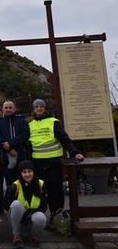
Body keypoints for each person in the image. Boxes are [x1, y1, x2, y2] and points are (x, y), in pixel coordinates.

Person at [28, 98, 84, 228]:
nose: (39, 108)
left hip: (54, 164)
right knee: (40, 193)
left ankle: (56, 218)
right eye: (37, 106)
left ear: (45, 108)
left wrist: (75, 152)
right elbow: (28, 145)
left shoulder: (53, 122)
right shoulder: (30, 125)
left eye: (42, 106)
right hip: (38, 165)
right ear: (33, 110)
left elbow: (64, 139)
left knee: (56, 193)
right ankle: (39, 219)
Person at [4, 160, 47, 249]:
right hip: (16, 220)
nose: (27, 175)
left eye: (29, 171)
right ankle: (16, 236)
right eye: (24, 172)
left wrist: (30, 212)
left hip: (32, 217)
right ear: (21, 174)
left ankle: (33, 234)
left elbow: (44, 206)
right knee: (16, 204)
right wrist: (22, 214)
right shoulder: (14, 187)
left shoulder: (41, 184)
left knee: (41, 217)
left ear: (33, 172)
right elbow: (6, 205)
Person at [0, 100, 28, 188]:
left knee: (22, 185)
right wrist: (9, 149)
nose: (8, 110)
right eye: (6, 108)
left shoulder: (22, 121)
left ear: (15, 109)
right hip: (5, 159)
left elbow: (24, 135)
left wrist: (10, 143)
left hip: (21, 158)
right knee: (10, 186)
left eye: (10, 107)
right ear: (3, 110)